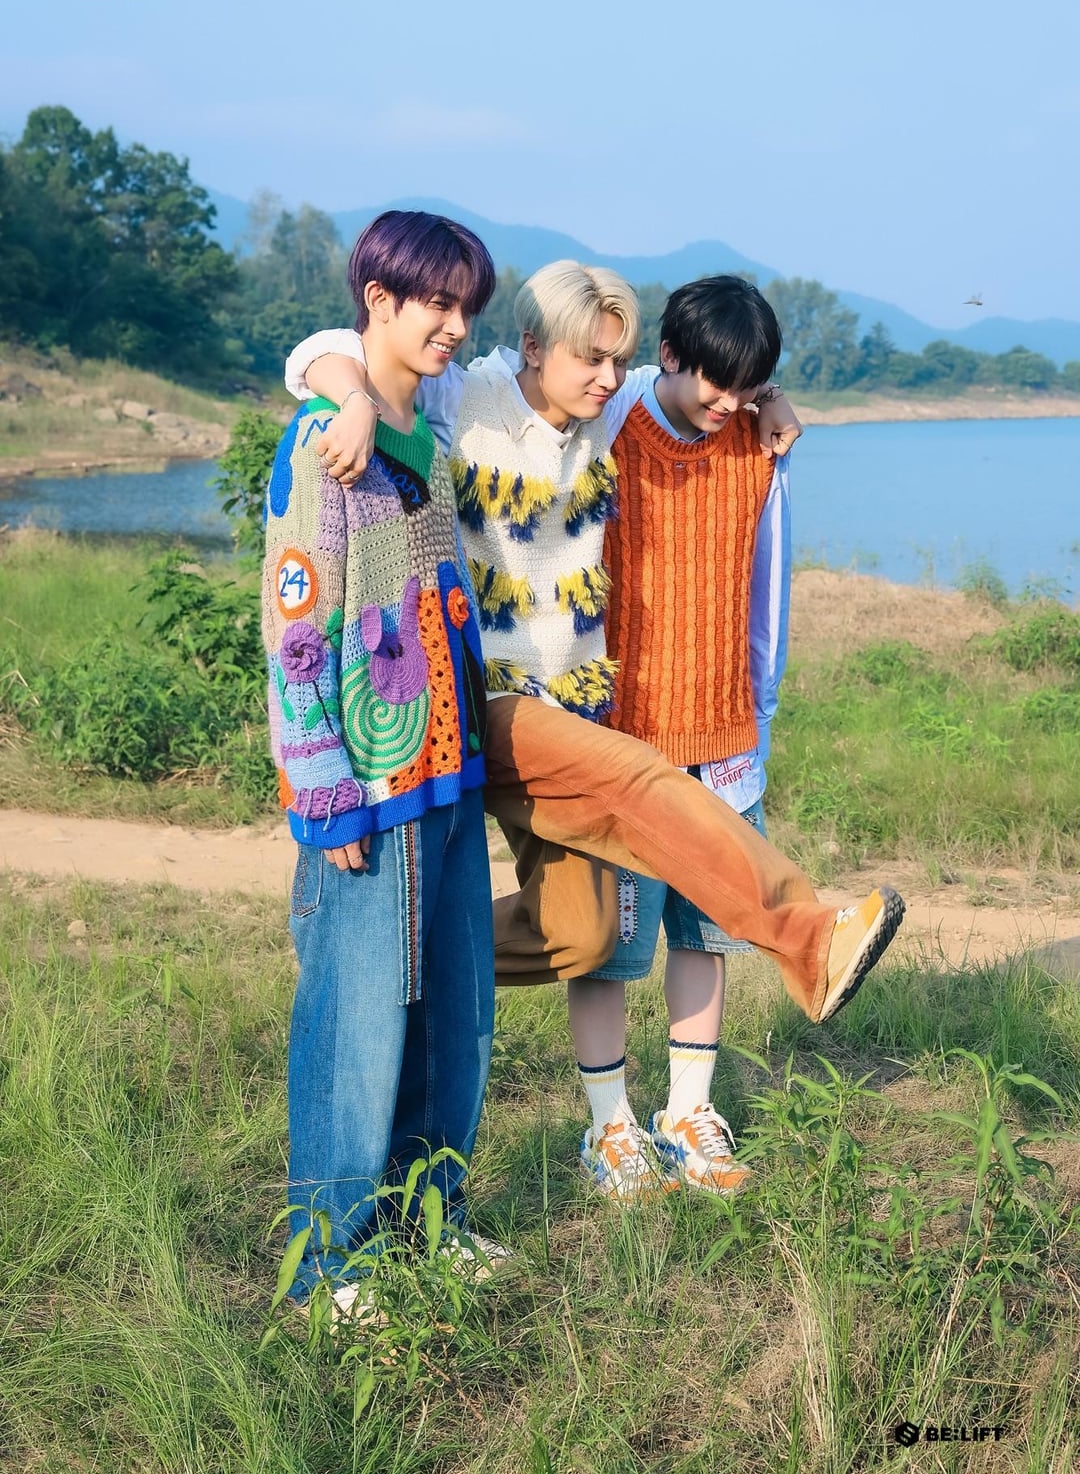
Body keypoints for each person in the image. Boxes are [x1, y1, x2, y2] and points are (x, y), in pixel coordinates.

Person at [284, 255, 904, 1047]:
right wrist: (355, 401)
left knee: (583, 933)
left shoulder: (606, 412)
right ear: (534, 346)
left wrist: (769, 398)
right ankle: (806, 938)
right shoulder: (465, 397)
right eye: (591, 359)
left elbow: (696, 381)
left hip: (571, 707)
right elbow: (319, 351)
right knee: (638, 777)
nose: (610, 378)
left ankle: (385, 958)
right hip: (489, 699)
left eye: (619, 360)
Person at [262, 209, 500, 1324]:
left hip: (448, 774)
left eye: (465, 308)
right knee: (356, 1026)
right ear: (379, 301)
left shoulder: (422, 435)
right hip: (364, 780)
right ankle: (327, 1266)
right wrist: (323, 788)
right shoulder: (326, 442)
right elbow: (295, 623)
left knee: (454, 1017)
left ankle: (430, 1222)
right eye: (435, 304)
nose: (453, 326)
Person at [560, 275, 804, 1201]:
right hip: (620, 742)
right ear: (668, 355)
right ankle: (609, 1124)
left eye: (747, 387)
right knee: (608, 944)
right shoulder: (606, 426)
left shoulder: (759, 446)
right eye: (715, 383)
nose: (728, 403)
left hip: (721, 743)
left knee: (707, 935)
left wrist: (755, 723)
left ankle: (687, 1113)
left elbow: (768, 593)